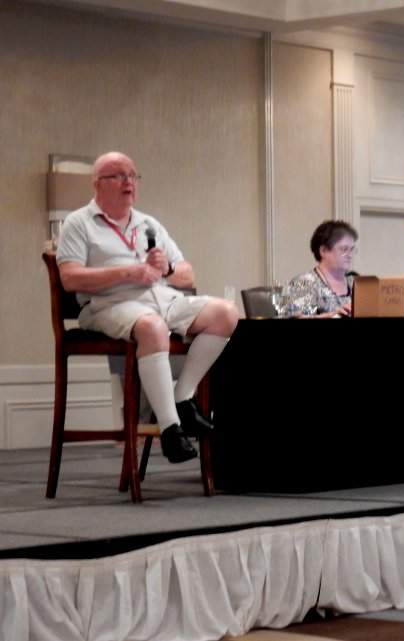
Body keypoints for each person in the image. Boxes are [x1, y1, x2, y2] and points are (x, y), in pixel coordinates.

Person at [56, 151, 239, 464]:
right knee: (153, 326)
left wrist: (167, 269)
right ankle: (170, 429)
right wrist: (128, 272)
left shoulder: (148, 224)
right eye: (119, 175)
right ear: (97, 183)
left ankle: (182, 397)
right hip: (110, 304)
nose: (128, 182)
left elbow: (187, 275)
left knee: (225, 313)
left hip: (160, 298)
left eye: (133, 176)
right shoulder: (79, 223)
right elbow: (70, 278)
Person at [284, 220, 358, 318]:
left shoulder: (355, 283)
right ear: (323, 251)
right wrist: (332, 316)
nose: (350, 255)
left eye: (351, 249)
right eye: (344, 249)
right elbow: (295, 317)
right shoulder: (304, 283)